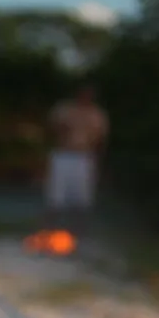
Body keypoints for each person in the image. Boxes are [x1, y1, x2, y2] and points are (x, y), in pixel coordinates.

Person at [43, 84, 108, 235]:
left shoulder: (97, 115)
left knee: (82, 200)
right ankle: (47, 234)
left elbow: (101, 140)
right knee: (55, 198)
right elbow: (52, 129)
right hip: (64, 155)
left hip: (84, 158)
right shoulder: (64, 110)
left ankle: (78, 236)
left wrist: (97, 161)